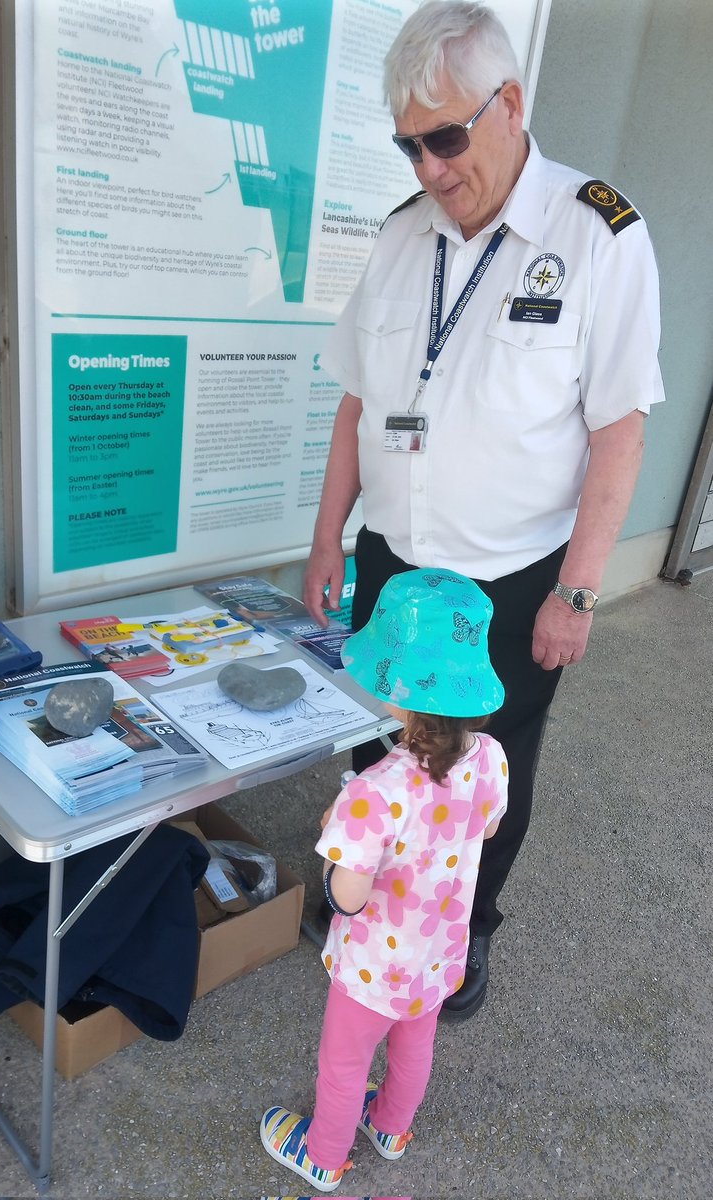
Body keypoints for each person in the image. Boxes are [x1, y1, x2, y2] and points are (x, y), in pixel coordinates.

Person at [303, 0, 665, 1020]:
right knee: (377, 745)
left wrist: (578, 593)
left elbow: (618, 434)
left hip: (507, 581)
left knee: (477, 779)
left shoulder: (595, 235)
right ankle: (361, 902)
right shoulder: (398, 236)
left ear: (510, 104)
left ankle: (461, 938)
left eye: (445, 138)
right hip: (389, 562)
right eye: (408, 144)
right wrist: (328, 534)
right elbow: (356, 403)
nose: (426, 167)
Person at [260, 569, 508, 1192]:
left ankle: (323, 1154)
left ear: (396, 690)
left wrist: (337, 848)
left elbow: (346, 898)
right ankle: (393, 1128)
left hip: (373, 964)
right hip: (439, 949)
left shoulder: (374, 792)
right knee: (414, 1043)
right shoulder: (492, 759)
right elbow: (488, 828)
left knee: (344, 1064)